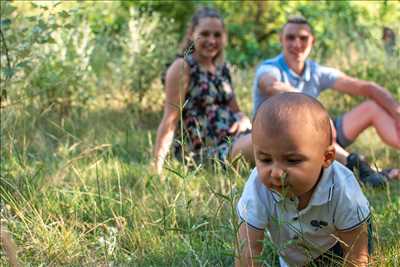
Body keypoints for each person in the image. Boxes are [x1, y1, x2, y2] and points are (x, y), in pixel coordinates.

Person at [250, 16, 400, 185]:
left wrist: (396, 112)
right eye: (290, 37)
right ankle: (358, 166)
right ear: (281, 40)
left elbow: (367, 88)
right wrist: (317, 111)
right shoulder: (269, 68)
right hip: (283, 139)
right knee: (306, 128)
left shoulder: (316, 71)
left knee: (372, 108)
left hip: (323, 131)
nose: (297, 44)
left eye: (303, 38)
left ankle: (360, 167)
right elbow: (272, 86)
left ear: (312, 41)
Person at [236, 93, 372, 267]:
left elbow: (355, 254)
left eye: (292, 160)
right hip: (294, 256)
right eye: (266, 160)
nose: (277, 173)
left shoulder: (342, 189)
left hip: (337, 246)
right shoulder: (257, 188)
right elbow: (248, 249)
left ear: (326, 157)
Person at [153, 7, 252, 174]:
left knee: (278, 133)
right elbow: (170, 119)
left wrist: (243, 120)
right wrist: (156, 166)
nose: (211, 40)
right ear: (192, 33)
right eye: (205, 34)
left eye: (217, 35)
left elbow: (237, 111)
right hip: (205, 152)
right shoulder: (183, 67)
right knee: (265, 143)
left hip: (236, 138)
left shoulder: (222, 69)